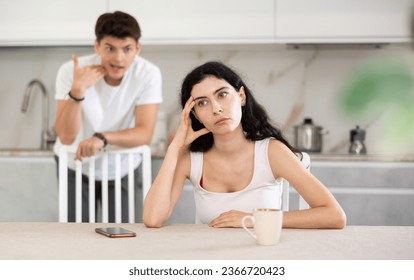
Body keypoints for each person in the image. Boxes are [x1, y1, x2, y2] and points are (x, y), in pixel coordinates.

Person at [143, 61, 346, 229]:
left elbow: (335, 215)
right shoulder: (190, 159)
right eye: (202, 103)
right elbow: (153, 219)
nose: (216, 109)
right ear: (194, 114)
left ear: (240, 96)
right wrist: (174, 148)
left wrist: (254, 219)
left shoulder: (271, 152)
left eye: (222, 95)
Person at [53, 11, 162, 222]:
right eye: (110, 48)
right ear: (97, 46)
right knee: (77, 235)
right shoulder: (71, 71)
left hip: (122, 165)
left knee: (121, 234)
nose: (119, 59)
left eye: (127, 49)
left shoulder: (148, 74)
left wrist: (101, 138)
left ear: (137, 49)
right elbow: (66, 136)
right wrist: (77, 90)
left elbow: (144, 133)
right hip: (75, 164)